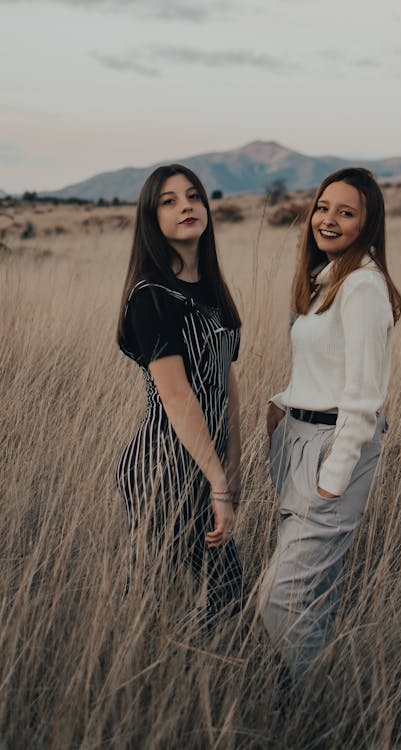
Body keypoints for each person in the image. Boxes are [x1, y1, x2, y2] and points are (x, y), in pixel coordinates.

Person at [260, 167, 401, 683]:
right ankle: (310, 707)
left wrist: (332, 480)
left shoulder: (362, 286)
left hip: (331, 453)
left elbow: (364, 398)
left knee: (279, 600)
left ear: (367, 223)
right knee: (309, 603)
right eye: (323, 207)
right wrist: (281, 403)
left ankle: (312, 709)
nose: (328, 219)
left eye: (346, 212)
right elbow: (326, 368)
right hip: (300, 443)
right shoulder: (326, 281)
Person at [115, 164, 243, 624]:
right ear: (153, 220)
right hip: (162, 467)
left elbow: (227, 388)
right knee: (148, 591)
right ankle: (125, 676)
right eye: (169, 201)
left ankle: (185, 668)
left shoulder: (212, 292)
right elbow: (177, 397)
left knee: (225, 595)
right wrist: (219, 483)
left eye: (193, 196)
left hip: (206, 465)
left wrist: (232, 466)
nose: (186, 206)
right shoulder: (151, 297)